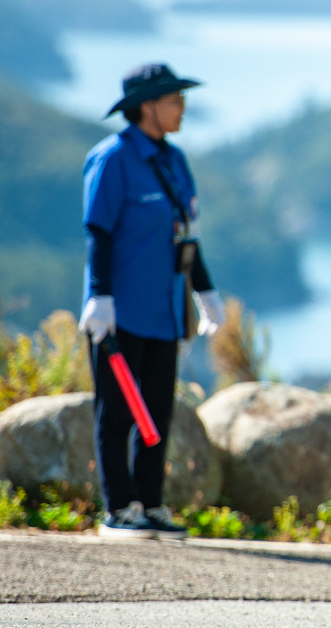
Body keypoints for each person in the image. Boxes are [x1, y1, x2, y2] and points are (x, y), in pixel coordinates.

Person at [78, 63, 226, 540]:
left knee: (157, 411)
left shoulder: (174, 161)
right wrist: (100, 296)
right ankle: (119, 509)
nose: (182, 107)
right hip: (119, 314)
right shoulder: (113, 159)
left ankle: (151, 504)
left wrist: (204, 291)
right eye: (174, 100)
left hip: (165, 314)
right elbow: (98, 232)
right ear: (147, 107)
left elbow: (187, 235)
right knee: (117, 412)